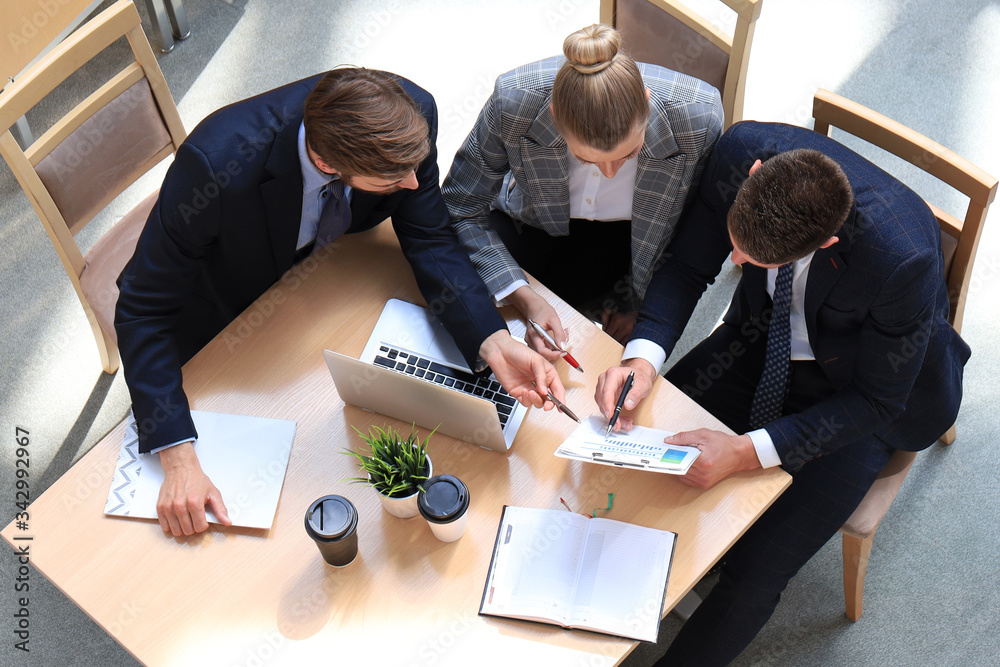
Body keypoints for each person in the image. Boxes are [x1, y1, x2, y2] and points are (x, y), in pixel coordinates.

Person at [115, 68, 564, 538]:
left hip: (315, 289)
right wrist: (178, 455)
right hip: (223, 311)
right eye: (394, 177)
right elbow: (142, 310)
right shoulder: (214, 167)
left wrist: (492, 340)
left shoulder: (409, 118)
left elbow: (430, 236)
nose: (414, 183)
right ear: (327, 163)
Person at [594, 121, 970, 664]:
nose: (737, 263)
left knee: (753, 576)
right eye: (737, 245)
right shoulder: (739, 152)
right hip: (756, 342)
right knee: (638, 456)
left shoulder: (903, 260)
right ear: (753, 176)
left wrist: (745, 452)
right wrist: (642, 358)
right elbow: (686, 266)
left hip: (860, 396)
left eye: (755, 260)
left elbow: (877, 400)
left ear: (827, 244)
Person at [441, 23, 722, 358]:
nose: (609, 173)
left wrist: (646, 316)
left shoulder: (699, 120)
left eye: (628, 155)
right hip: (533, 219)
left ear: (646, 104)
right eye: (585, 158)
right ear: (554, 115)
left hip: (634, 240)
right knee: (472, 315)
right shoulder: (513, 102)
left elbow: (695, 236)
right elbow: (461, 205)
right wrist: (523, 295)